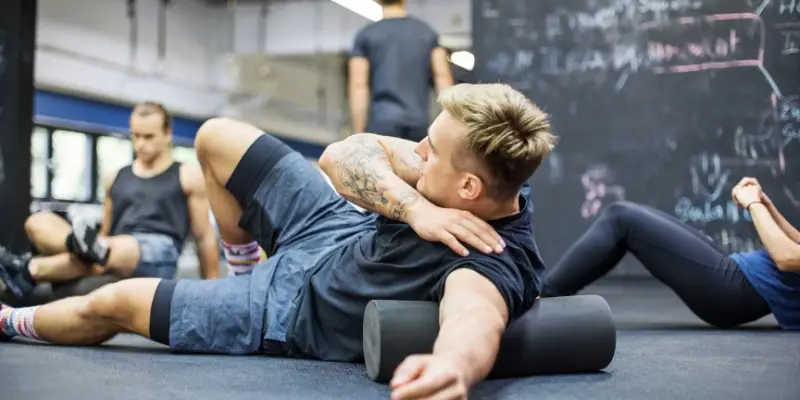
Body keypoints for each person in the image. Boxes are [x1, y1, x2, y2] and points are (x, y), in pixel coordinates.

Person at [0, 84, 556, 399]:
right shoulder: (450, 175)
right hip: (334, 228)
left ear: (468, 188)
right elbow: (341, 157)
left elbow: (474, 319)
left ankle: (6, 319)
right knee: (217, 138)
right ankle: (244, 266)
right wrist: (413, 206)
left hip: (285, 309)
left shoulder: (487, 260)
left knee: (113, 304)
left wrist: (454, 367)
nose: (419, 152)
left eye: (431, 150)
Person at [0, 102, 221, 301]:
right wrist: (91, 249)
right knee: (38, 221)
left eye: (149, 136)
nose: (140, 144)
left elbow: (204, 237)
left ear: (167, 134)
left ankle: (29, 268)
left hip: (158, 251)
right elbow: (105, 233)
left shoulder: (187, 175)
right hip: (109, 252)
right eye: (135, 136)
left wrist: (214, 293)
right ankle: (69, 251)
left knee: (109, 247)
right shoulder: (115, 177)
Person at [542, 177, 800, 330]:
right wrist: (765, 203)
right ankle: (544, 296)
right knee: (624, 219)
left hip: (733, 291)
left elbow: (787, 258)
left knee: (622, 218)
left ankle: (541, 299)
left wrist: (753, 203)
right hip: (736, 276)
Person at [349, 0, 455, 142]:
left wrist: (359, 131)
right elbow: (442, 77)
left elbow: (358, 86)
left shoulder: (366, 35)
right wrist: (451, 120)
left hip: (381, 124)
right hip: (418, 123)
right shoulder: (427, 33)